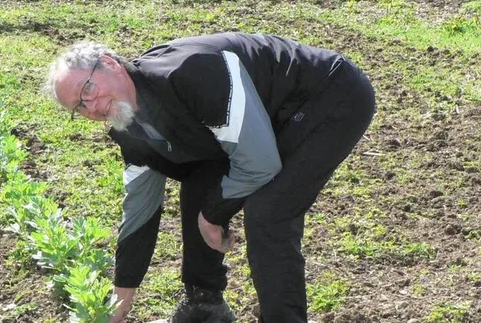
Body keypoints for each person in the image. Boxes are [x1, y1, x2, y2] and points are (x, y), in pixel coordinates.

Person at [44, 32, 375, 323]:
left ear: (110, 64)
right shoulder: (129, 128)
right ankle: (206, 305)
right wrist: (121, 298)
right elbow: (140, 211)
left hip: (328, 95)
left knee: (270, 212)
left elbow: (259, 164)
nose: (91, 107)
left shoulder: (190, 73)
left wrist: (213, 215)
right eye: (78, 108)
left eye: (87, 89)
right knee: (202, 174)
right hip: (271, 121)